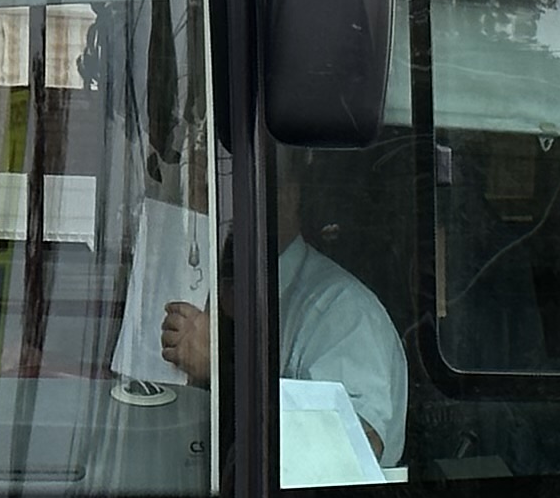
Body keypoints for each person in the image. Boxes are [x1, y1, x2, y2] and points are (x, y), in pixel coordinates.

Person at [157, 177, 408, 470]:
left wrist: (225, 368)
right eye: (205, 194)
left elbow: (357, 446)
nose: (219, 208)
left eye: (227, 189)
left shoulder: (340, 308)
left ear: (288, 195)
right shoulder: (211, 285)